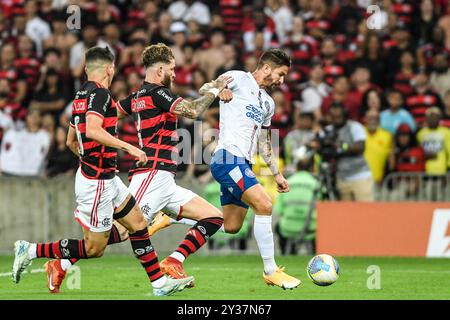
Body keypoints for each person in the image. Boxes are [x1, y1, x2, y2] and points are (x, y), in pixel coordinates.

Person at [11, 46, 194, 296]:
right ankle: (31, 250)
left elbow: (70, 141)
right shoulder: (101, 95)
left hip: (104, 177)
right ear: (110, 69)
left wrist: (89, 159)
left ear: (87, 68)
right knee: (94, 249)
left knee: (138, 223)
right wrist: (129, 148)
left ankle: (159, 284)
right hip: (97, 182)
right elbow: (92, 130)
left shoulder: (79, 97)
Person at [153, 49, 301, 289]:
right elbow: (204, 88)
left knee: (231, 226)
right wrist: (219, 90)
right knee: (264, 205)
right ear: (267, 68)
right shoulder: (238, 78)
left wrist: (277, 173)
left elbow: (264, 142)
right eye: (281, 74)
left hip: (244, 163)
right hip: (226, 158)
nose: (281, 81)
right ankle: (271, 270)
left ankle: (172, 230)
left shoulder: (268, 103)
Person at [274, 156, 319, 255]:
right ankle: (315, 256)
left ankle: (285, 255)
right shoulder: (317, 184)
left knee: (278, 228)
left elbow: (279, 210)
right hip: (311, 227)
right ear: (312, 169)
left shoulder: (286, 183)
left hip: (288, 227)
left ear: (297, 168)